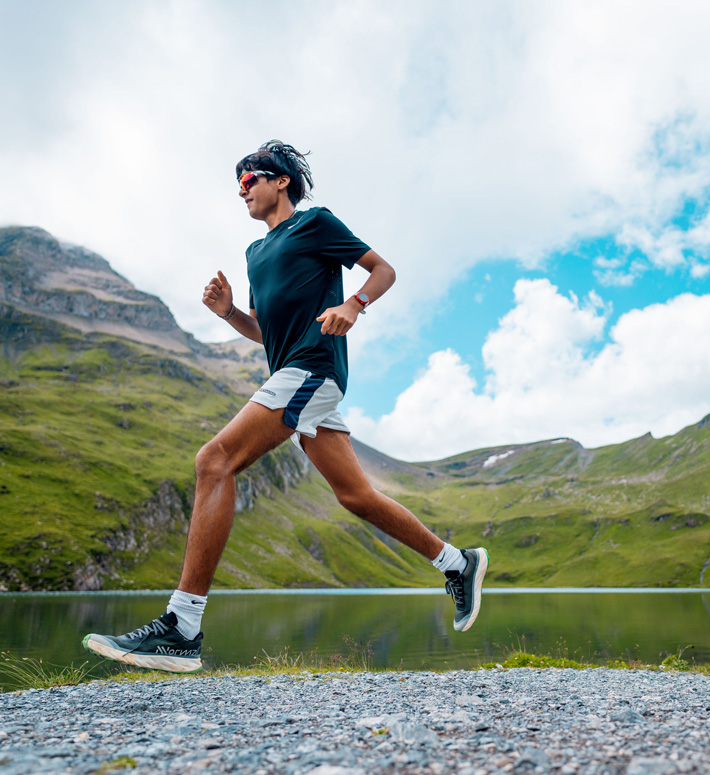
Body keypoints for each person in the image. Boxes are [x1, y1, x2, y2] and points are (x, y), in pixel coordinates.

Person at [83, 140, 488, 673]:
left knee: (214, 460)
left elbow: (383, 270)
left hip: (313, 369)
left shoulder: (315, 224)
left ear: (281, 182)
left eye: (249, 180)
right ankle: (458, 563)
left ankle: (182, 626)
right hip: (290, 373)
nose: (242, 191)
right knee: (356, 496)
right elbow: (263, 332)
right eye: (239, 187)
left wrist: (353, 304)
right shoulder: (255, 254)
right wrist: (229, 313)